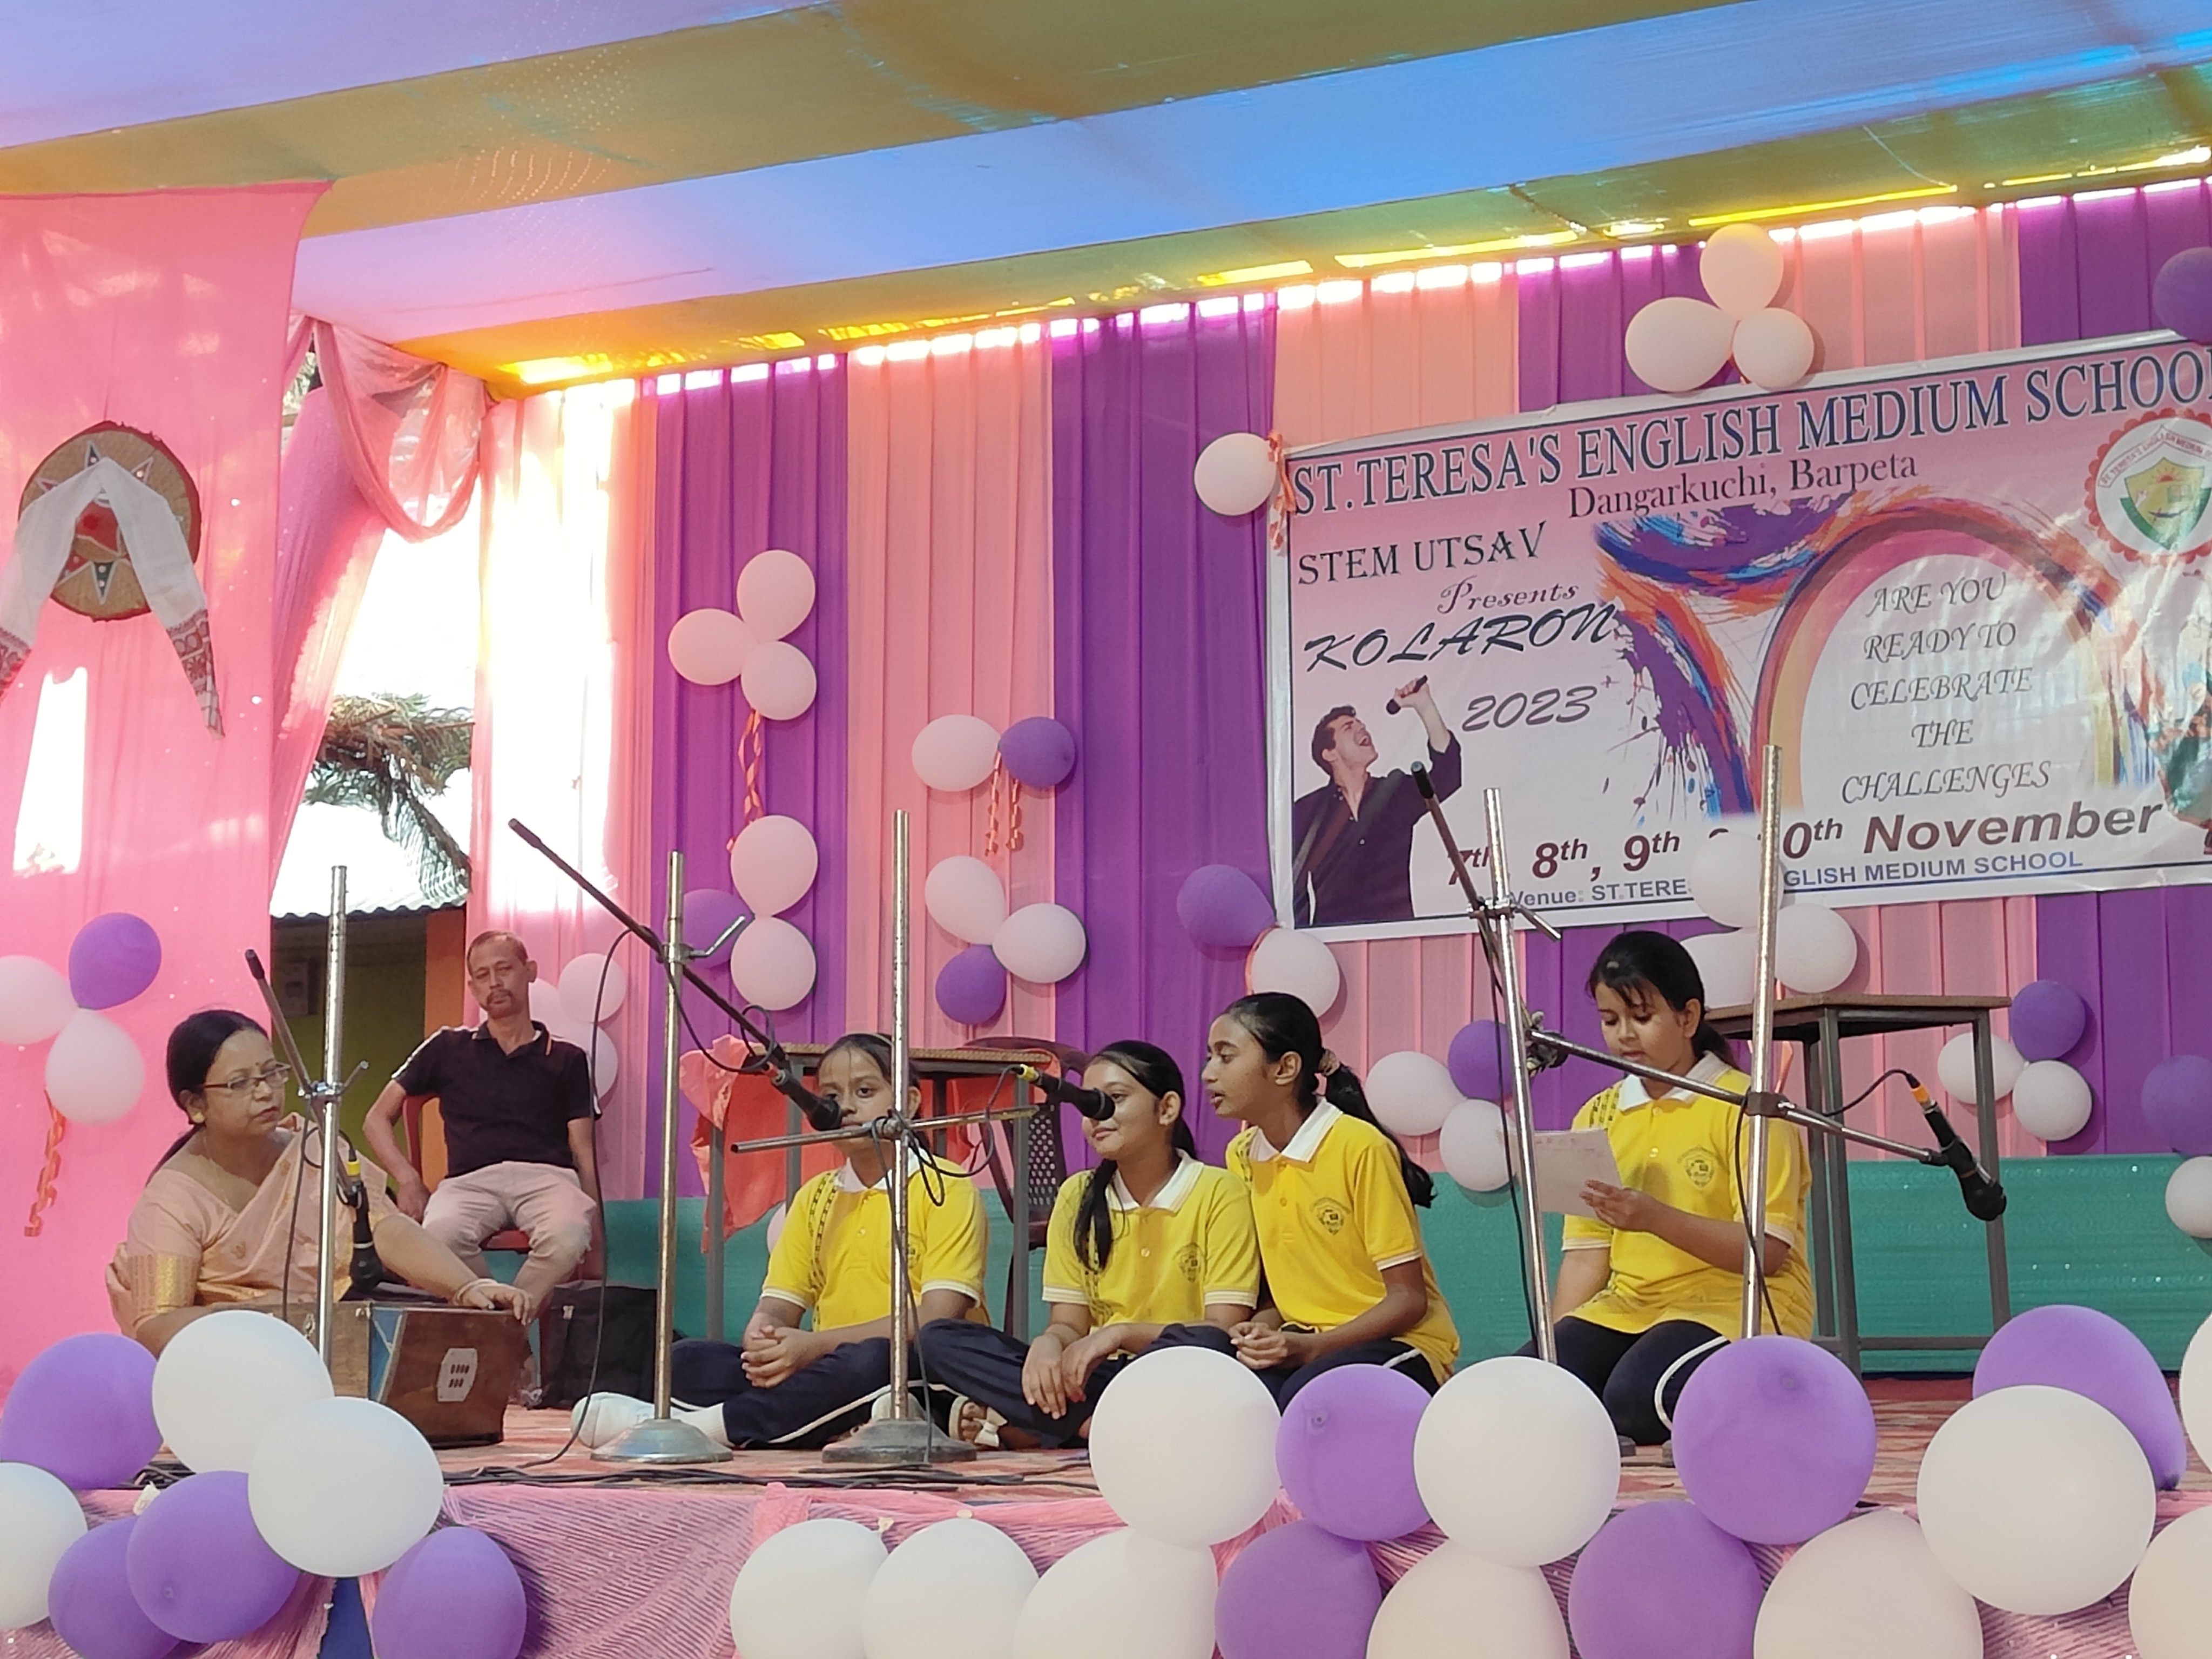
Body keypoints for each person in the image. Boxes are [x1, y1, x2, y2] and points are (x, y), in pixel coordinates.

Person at [579, 1032, 989, 1451]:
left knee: (872, 1361)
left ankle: (701, 1428)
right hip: (825, 1366)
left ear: (911, 1102)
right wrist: (765, 1339)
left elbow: (937, 1317)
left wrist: (813, 1347)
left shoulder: (947, 1187)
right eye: (831, 1096)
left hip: (906, 1365)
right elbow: (778, 1304)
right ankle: (844, 1419)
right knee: (686, 1360)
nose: (845, 1107)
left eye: (865, 1092)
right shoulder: (814, 1196)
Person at [1532, 930, 1815, 1448]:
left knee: (1638, 1401)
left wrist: (1655, 1218)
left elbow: (1768, 1252)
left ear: (1688, 1018)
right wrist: (1553, 1366)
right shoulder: (1597, 1115)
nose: (1625, 1036)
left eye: (1642, 1018)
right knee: (1525, 1388)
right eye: (1610, 1021)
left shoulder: (1749, 1109)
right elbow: (1586, 1258)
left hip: (1733, 1305)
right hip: (1629, 1308)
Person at [109, 1010, 528, 1354]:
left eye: (271, 1073)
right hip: (236, 1368)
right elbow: (158, 1325)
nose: (266, 1092)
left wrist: (467, 1286)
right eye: (241, 1083)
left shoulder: (315, 1150)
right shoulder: (173, 1198)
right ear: (195, 1104)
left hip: (331, 1343)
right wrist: (272, 1322)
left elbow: (383, 1227)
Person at [916, 1040, 1260, 1446]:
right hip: (1097, 1379)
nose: (1096, 1114)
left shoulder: (1219, 1191)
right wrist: (1048, 1344)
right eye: (1088, 1103)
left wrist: (1119, 1334)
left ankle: (1033, 1426)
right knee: (939, 1339)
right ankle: (1095, 1427)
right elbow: (1069, 1324)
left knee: (1213, 1343)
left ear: (1167, 1109)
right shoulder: (1077, 1194)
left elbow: (1223, 1326)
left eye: (1115, 1099)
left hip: (1175, 1370)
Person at [1150, 992, 1458, 1403]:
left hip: (1401, 1341)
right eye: (1210, 1057)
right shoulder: (1241, 1154)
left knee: (1304, 1397)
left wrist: (1313, 1348)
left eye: (1226, 1057)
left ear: (1285, 1068)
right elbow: (1279, 1288)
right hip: (1304, 1339)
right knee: (1222, 1386)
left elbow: (1408, 1299)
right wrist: (1260, 1328)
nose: (1208, 1074)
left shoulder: (1359, 1147)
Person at [362, 930, 601, 1323]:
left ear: (529, 971)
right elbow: (376, 1118)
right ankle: (501, 1321)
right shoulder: (446, 1046)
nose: (495, 983)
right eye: (483, 975)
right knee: (438, 1236)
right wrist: (407, 1179)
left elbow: (583, 1151)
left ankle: (501, 1328)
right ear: (473, 988)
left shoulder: (568, 1057)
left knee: (568, 1237)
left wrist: (598, 1237)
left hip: (548, 1178)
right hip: (468, 1182)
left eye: (504, 969)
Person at [1290, 680, 1462, 926]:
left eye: (1361, 723)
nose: (1361, 727)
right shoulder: (1307, 810)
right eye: (1349, 727)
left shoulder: (1394, 792)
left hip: (1394, 934)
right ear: (1330, 754)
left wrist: (1424, 707)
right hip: (1333, 937)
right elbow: (1293, 882)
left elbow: (1448, 774)